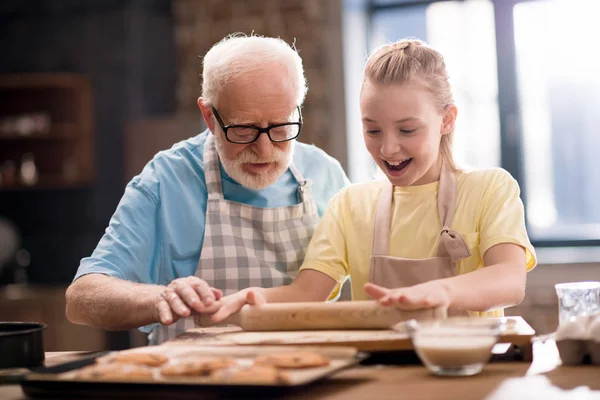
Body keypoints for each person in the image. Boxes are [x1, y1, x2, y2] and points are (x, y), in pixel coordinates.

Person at [209, 38, 537, 322]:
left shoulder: (490, 189)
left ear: (447, 120)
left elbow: (508, 281)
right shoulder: (350, 205)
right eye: (372, 130)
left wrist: (440, 292)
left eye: (407, 130)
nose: (387, 148)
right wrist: (254, 298)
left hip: (469, 373)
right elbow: (307, 292)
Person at [65, 34, 350, 345]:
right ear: (209, 117)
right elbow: (81, 299)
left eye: (281, 127)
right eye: (244, 129)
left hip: (307, 372)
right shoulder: (167, 180)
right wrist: (158, 298)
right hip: (194, 383)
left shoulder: (325, 174)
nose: (265, 150)